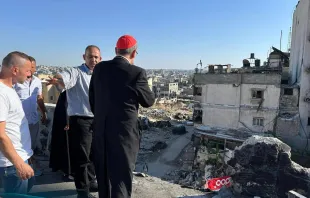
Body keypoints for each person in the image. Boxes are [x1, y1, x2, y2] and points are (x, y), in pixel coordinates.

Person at [89, 35, 155, 198]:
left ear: (116, 50)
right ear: (133, 54)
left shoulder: (99, 68)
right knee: (121, 179)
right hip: (124, 135)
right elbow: (148, 101)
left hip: (101, 132)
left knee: (103, 176)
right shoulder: (137, 73)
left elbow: (92, 99)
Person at [47, 45, 101, 198]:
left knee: (93, 154)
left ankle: (90, 181)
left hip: (96, 120)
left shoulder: (100, 74)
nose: (94, 60)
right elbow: (64, 77)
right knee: (82, 157)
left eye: (96, 57)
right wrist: (57, 79)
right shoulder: (76, 72)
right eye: (90, 56)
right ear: (84, 57)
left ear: (100, 58)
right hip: (81, 121)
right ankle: (82, 191)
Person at [0, 51, 35, 194]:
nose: (29, 75)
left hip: (19, 158)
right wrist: (19, 163)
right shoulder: (1, 93)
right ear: (15, 70)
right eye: (27, 71)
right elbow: (1, 135)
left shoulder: (9, 89)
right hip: (11, 165)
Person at [14, 56, 47, 177]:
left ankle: (28, 168)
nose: (31, 70)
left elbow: (39, 98)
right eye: (28, 67)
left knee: (30, 146)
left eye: (33, 67)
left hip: (33, 120)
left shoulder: (38, 81)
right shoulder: (16, 81)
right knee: (19, 147)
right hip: (18, 122)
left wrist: (43, 113)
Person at [49, 90, 74, 180]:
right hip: (66, 117)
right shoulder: (68, 93)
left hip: (65, 115)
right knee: (66, 143)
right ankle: (68, 171)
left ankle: (66, 170)